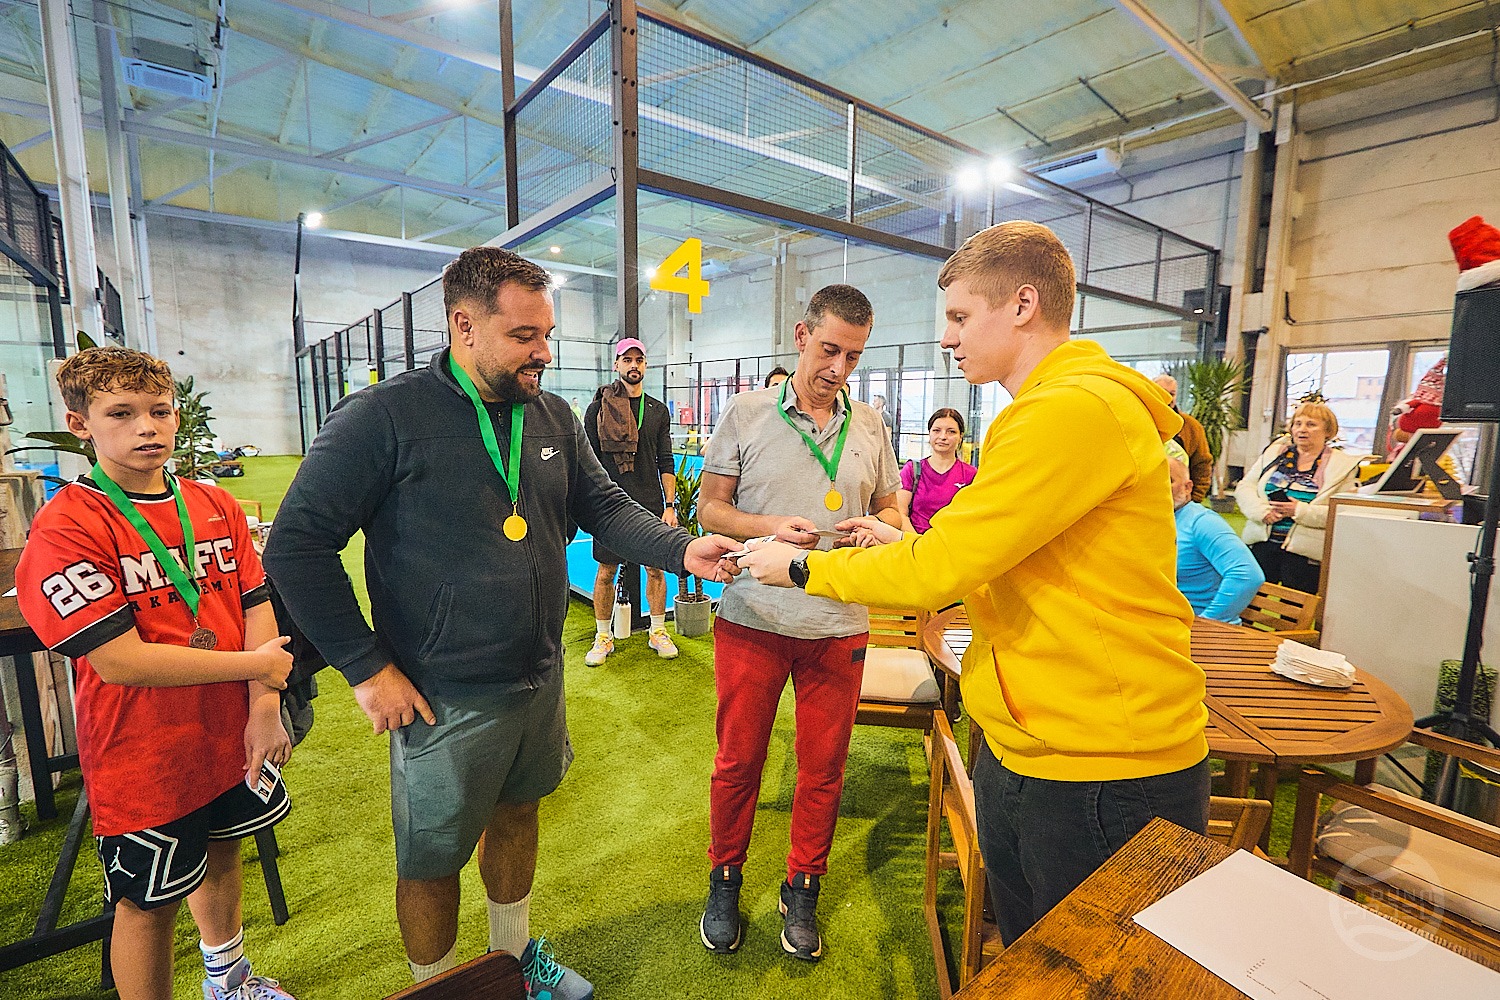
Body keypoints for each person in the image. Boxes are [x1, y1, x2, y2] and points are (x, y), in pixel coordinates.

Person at [263, 248, 737, 993]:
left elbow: (604, 506)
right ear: (464, 325)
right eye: (524, 335)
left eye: (546, 334)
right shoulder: (383, 416)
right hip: (439, 692)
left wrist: (683, 549)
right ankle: (439, 989)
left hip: (537, 675)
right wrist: (365, 667)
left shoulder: (550, 415)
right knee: (432, 862)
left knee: (518, 816)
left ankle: (512, 966)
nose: (543, 352)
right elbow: (296, 545)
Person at [738, 221, 1209, 945]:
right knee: (1028, 955)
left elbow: (940, 571)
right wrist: (911, 543)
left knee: (1079, 971)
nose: (947, 338)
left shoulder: (1070, 409)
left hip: (1101, 764)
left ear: (1022, 305)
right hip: (1039, 742)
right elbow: (988, 556)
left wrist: (799, 567)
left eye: (960, 316)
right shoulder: (1051, 408)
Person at [16, 347, 297, 1000]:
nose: (147, 426)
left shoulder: (214, 504)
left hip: (229, 732)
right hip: (143, 753)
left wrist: (263, 707)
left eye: (160, 411)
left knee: (223, 850)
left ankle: (228, 981)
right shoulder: (68, 524)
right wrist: (258, 668)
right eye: (121, 413)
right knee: (147, 903)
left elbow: (255, 603)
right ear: (80, 424)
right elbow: (119, 660)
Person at [696, 284, 901, 963]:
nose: (838, 369)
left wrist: (879, 525)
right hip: (753, 618)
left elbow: (894, 510)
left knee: (824, 770)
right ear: (802, 335)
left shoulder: (869, 425)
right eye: (829, 350)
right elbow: (710, 510)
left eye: (854, 356)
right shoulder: (746, 412)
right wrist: (768, 527)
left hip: (839, 624)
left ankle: (803, 887)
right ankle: (725, 879)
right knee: (738, 762)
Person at [583, 337, 680, 665]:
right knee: (606, 572)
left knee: (655, 569)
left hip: (650, 502)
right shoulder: (598, 409)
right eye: (627, 360)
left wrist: (670, 506)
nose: (633, 365)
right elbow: (588, 462)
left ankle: (657, 631)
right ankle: (603, 636)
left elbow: (666, 461)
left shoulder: (657, 411)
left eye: (639, 360)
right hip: (610, 505)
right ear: (617, 365)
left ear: (645, 366)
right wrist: (591, 504)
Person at [1235, 398, 1362, 595]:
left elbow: (1341, 512)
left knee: (1293, 607)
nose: (1302, 429)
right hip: (1262, 543)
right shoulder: (1274, 454)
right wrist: (1261, 511)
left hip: (1304, 554)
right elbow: (1245, 487)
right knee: (1250, 601)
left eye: (1311, 425)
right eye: (1297, 424)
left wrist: (1298, 511)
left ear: (1328, 431)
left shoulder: (1343, 466)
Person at [1170, 458, 1263, 622]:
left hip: (1192, 627)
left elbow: (1247, 575)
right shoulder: (1150, 521)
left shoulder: (1202, 522)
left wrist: (1207, 622)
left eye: (1168, 480)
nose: (1158, 487)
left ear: (1187, 487)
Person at [898, 408, 977, 533]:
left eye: (951, 432)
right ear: (929, 434)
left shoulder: (971, 475)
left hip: (953, 542)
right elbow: (900, 513)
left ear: (960, 437)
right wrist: (917, 541)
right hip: (915, 540)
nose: (943, 437)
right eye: (936, 430)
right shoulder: (912, 470)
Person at [1152, 374, 1213, 503]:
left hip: (1180, 501)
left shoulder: (1192, 426)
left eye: (1172, 394)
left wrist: (1194, 499)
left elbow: (1202, 465)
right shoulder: (1140, 420)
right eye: (1162, 392)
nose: (1168, 398)